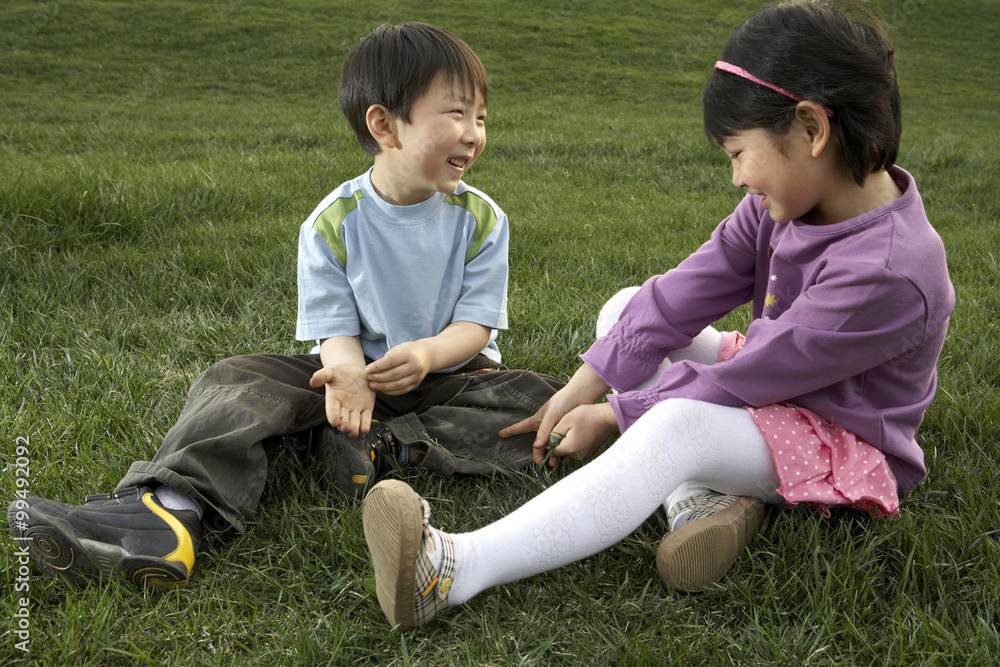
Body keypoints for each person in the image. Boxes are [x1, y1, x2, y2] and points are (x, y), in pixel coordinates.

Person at [361, 0, 956, 630]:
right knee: (626, 309)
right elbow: (680, 294)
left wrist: (617, 413)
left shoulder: (887, 272)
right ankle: (701, 501)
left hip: (837, 439)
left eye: (738, 153)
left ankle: (451, 571)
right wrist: (584, 384)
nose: (735, 178)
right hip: (776, 391)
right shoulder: (785, 203)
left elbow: (747, 379)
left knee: (675, 426)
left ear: (810, 129)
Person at [7, 21, 563, 590]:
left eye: (481, 118)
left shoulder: (483, 219)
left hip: (454, 376)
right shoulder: (332, 223)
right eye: (456, 114)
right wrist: (348, 374)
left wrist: (426, 354)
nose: (474, 133)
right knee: (238, 379)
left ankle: (382, 446)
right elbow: (335, 328)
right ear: (385, 125)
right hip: (355, 374)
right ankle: (170, 513)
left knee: (545, 405)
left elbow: (475, 326)